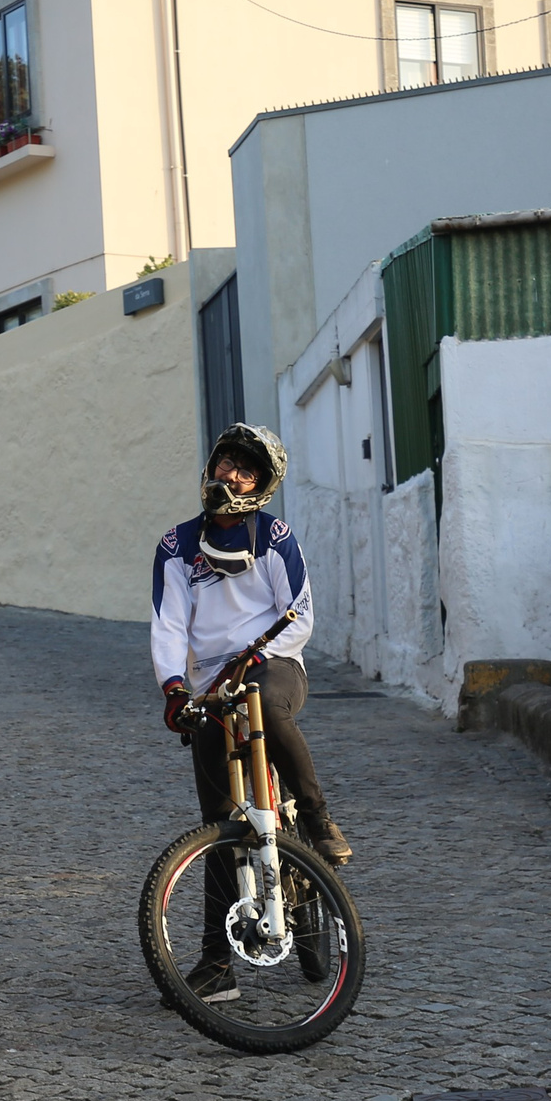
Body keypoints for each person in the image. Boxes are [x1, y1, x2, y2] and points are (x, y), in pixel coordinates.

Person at [150, 426, 351, 998]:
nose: (231, 474)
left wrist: (256, 656)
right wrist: (172, 688)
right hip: (208, 683)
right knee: (218, 823)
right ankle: (216, 964)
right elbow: (167, 624)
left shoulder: (276, 536)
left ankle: (315, 817)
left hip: (274, 663)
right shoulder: (176, 545)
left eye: (246, 469)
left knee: (266, 702)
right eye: (226, 462)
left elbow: (301, 613)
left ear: (262, 483)